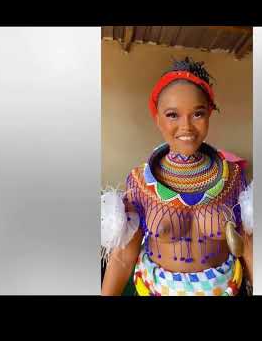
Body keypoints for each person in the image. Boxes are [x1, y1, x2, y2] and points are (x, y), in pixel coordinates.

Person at [101, 57, 253, 296]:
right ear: (157, 118)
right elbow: (122, 257)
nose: (186, 127)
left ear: (210, 114)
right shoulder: (140, 182)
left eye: (198, 114)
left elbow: (249, 247)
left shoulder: (233, 178)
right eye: (172, 114)